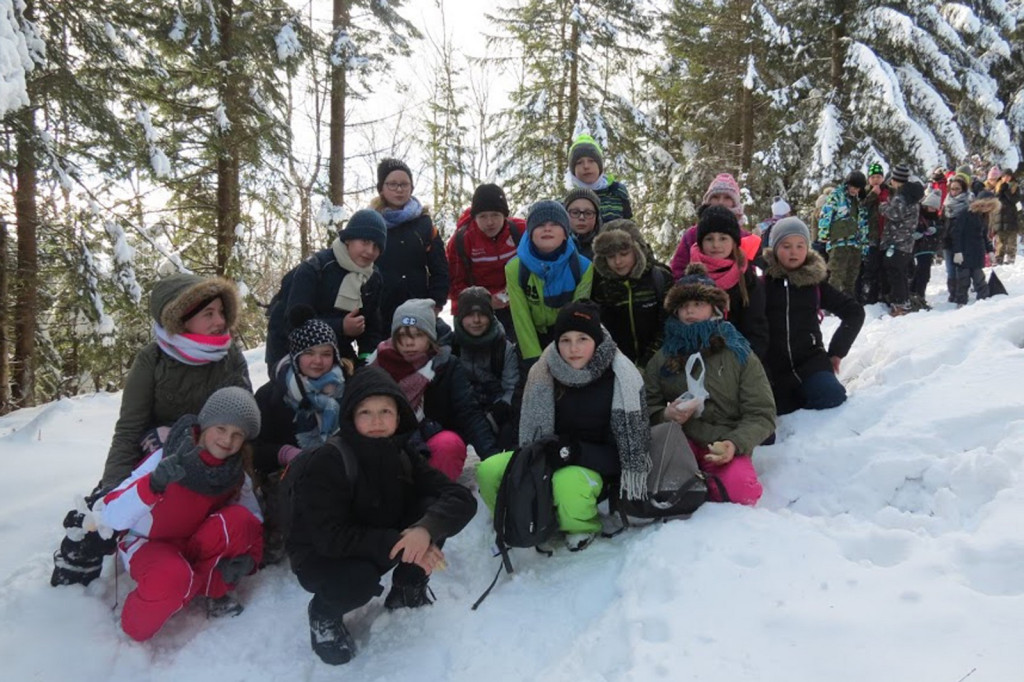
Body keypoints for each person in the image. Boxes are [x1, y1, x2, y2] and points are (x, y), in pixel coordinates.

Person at [51, 273, 251, 587]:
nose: (220, 321)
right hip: (152, 455)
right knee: (100, 514)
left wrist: (183, 434)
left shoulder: (230, 357)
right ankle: (75, 572)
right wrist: (111, 487)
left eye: (221, 312)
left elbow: (241, 417)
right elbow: (129, 428)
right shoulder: (152, 360)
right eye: (208, 314)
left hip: (214, 450)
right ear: (181, 321)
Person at [285, 366, 477, 665]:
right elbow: (329, 538)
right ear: (350, 416)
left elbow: (460, 497)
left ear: (399, 416)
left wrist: (425, 530)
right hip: (323, 556)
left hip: (376, 536)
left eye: (385, 411)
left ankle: (406, 586)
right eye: (365, 412)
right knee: (359, 579)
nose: (376, 421)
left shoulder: (402, 453)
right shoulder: (329, 460)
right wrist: (401, 542)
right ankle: (324, 612)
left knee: (431, 508)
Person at [477, 302, 651, 551]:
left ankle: (581, 525)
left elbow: (621, 457)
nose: (573, 349)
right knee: (488, 470)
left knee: (567, 483)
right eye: (565, 340)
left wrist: (576, 452)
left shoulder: (621, 379)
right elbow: (521, 424)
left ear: (597, 341)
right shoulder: (542, 372)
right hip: (544, 455)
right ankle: (514, 514)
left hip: (590, 466)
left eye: (582, 339)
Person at [95, 387, 264, 641]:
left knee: (239, 521)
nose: (227, 440)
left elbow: (253, 521)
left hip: (194, 544)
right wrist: (153, 484)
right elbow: (110, 515)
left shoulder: (235, 472)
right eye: (221, 429)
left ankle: (201, 587)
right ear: (206, 424)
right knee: (172, 577)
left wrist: (250, 559)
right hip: (149, 543)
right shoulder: (168, 457)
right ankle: (137, 621)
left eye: (237, 434)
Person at [643, 264, 775, 506]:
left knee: (742, 492)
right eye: (684, 306)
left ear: (714, 310)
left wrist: (734, 444)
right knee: (667, 491)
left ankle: (709, 484)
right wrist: (665, 414)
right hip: (681, 442)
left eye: (698, 305)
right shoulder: (662, 357)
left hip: (724, 442)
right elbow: (647, 406)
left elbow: (762, 413)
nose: (690, 311)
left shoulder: (738, 353)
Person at [370, 299, 498, 479]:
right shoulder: (376, 367)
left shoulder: (446, 365)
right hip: (386, 441)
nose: (408, 343)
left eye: (417, 335)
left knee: (449, 444)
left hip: (432, 437)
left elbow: (468, 412)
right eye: (402, 336)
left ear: (430, 337)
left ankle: (439, 497)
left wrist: (492, 458)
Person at [761, 218, 864, 415]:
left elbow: (854, 312)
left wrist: (836, 352)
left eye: (800, 246)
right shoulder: (761, 284)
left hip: (811, 363)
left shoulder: (816, 283)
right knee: (773, 410)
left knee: (832, 396)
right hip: (772, 369)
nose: (794, 252)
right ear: (774, 248)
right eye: (786, 246)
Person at [265, 209, 386, 369]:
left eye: (376, 246)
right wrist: (341, 327)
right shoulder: (315, 268)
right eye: (364, 241)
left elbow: (371, 327)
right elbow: (294, 323)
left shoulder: (373, 278)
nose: (370, 251)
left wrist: (366, 361)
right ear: (348, 239)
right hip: (290, 350)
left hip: (337, 351)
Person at [505, 200, 594, 364]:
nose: (547, 228)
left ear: (565, 232)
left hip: (566, 337)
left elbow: (577, 314)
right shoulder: (515, 268)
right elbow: (521, 316)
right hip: (532, 336)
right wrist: (533, 358)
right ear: (530, 232)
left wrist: (568, 352)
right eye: (540, 225)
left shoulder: (582, 267)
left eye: (554, 224)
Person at [371, 158, 449, 326]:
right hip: (379, 313)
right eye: (392, 184)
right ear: (381, 189)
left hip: (418, 311)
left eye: (404, 184)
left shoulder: (424, 224)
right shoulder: (370, 223)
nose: (399, 190)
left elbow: (440, 268)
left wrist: (436, 303)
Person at [686, 205, 769, 360]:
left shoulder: (747, 279)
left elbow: (756, 331)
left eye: (723, 238)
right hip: (698, 361)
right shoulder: (691, 280)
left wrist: (741, 364)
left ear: (734, 242)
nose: (716, 245)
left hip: (740, 361)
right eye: (709, 239)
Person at [446, 183, 524, 341]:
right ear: (475, 217)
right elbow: (453, 285)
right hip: (476, 310)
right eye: (483, 216)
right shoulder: (461, 240)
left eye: (495, 215)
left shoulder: (520, 231)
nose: (489, 222)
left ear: (505, 214)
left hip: (517, 307)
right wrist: (484, 301)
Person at [591, 218, 673, 367]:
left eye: (624, 254)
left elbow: (669, 324)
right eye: (611, 256)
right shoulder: (602, 286)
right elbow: (602, 329)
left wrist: (647, 362)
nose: (618, 262)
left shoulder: (659, 278)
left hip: (659, 364)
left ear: (637, 250)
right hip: (618, 366)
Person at [450, 286, 519, 451]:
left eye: (482, 314)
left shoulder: (504, 347)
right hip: (462, 408)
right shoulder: (451, 345)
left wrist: (498, 411)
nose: (476, 320)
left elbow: (512, 387)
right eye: (469, 315)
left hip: (495, 409)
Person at [670, 173, 762, 277]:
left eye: (727, 197)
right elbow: (678, 270)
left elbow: (750, 274)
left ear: (735, 202)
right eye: (715, 197)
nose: (721, 202)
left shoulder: (744, 237)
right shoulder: (692, 234)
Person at [879, 165, 924, 316]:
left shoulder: (901, 196)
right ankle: (903, 302)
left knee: (895, 273)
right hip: (906, 241)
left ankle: (900, 306)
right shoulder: (913, 195)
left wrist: (883, 206)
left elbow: (895, 214)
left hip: (897, 240)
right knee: (901, 272)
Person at [818, 171, 868, 296]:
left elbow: (862, 222)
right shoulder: (837, 196)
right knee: (836, 273)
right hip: (838, 242)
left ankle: (848, 301)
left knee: (852, 275)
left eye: (858, 188)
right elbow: (826, 213)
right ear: (848, 184)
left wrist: (864, 242)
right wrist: (824, 233)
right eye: (853, 187)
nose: (855, 190)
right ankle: (830, 302)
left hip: (855, 243)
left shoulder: (859, 201)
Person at [947, 188, 997, 305]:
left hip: (977, 252)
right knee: (963, 281)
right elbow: (956, 233)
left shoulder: (984, 216)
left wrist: (990, 251)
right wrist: (957, 251)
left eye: (990, 206)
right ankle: (961, 302)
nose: (987, 208)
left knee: (979, 279)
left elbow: (984, 235)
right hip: (964, 252)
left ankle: (983, 301)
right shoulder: (966, 213)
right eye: (985, 205)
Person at [567, 133, 632, 222]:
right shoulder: (567, 201)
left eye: (591, 161)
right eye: (579, 162)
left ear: (600, 166)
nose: (586, 166)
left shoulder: (617, 192)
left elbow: (629, 224)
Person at [860, 162, 890, 304]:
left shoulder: (889, 191)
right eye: (873, 177)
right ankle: (869, 296)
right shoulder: (865, 192)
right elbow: (861, 208)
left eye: (878, 176)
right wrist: (872, 195)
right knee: (871, 267)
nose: (876, 180)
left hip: (887, 234)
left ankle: (884, 295)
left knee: (886, 267)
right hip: (870, 236)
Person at [912, 189, 944, 303]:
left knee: (924, 273)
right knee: (921, 273)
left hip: (929, 248)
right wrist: (916, 234)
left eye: (935, 209)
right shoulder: (918, 216)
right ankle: (916, 295)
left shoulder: (936, 219)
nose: (933, 210)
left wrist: (936, 230)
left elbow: (941, 228)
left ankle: (919, 295)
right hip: (919, 247)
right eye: (931, 207)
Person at [562, 187, 604, 260]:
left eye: (588, 213)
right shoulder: (554, 246)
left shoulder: (607, 248)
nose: (581, 217)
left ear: (597, 217)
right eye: (575, 213)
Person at [994, 169, 1020, 265]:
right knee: (1000, 243)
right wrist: (1001, 190)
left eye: (1009, 176)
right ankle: (998, 261)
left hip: (1011, 218)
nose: (1007, 178)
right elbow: (996, 199)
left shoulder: (1015, 187)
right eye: (1005, 176)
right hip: (999, 218)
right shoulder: (998, 186)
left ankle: (1011, 261)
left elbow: (1015, 200)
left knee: (1011, 242)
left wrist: (1007, 192)